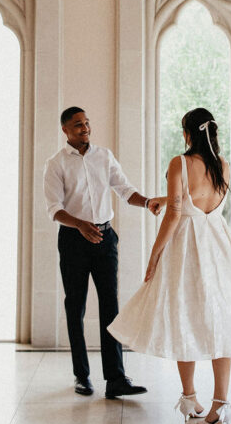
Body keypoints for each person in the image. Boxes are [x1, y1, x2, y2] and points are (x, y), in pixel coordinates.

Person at [108, 107, 231, 424]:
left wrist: (155, 253)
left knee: (184, 315)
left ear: (188, 133)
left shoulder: (179, 163)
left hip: (186, 247)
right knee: (220, 322)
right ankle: (220, 405)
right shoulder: (223, 166)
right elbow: (198, 199)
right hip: (217, 248)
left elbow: (175, 211)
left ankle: (189, 398)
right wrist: (163, 197)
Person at [43, 106, 161, 398]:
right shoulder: (55, 164)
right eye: (77, 125)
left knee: (111, 306)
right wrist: (80, 225)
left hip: (105, 239)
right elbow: (54, 209)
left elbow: (124, 189)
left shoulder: (104, 156)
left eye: (86, 123)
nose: (84, 128)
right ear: (65, 130)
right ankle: (82, 376)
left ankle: (116, 379)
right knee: (76, 307)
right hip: (73, 240)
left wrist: (147, 203)